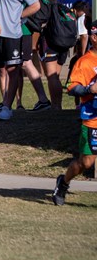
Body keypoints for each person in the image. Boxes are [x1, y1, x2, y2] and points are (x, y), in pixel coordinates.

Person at [52, 23, 97, 206]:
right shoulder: (85, 62)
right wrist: (89, 88)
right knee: (86, 163)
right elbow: (71, 88)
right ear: (94, 37)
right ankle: (63, 182)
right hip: (93, 120)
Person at [39, 0, 71, 110]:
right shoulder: (64, 8)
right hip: (63, 44)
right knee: (56, 77)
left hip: (50, 43)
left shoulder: (44, 8)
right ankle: (58, 104)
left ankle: (55, 105)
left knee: (51, 77)